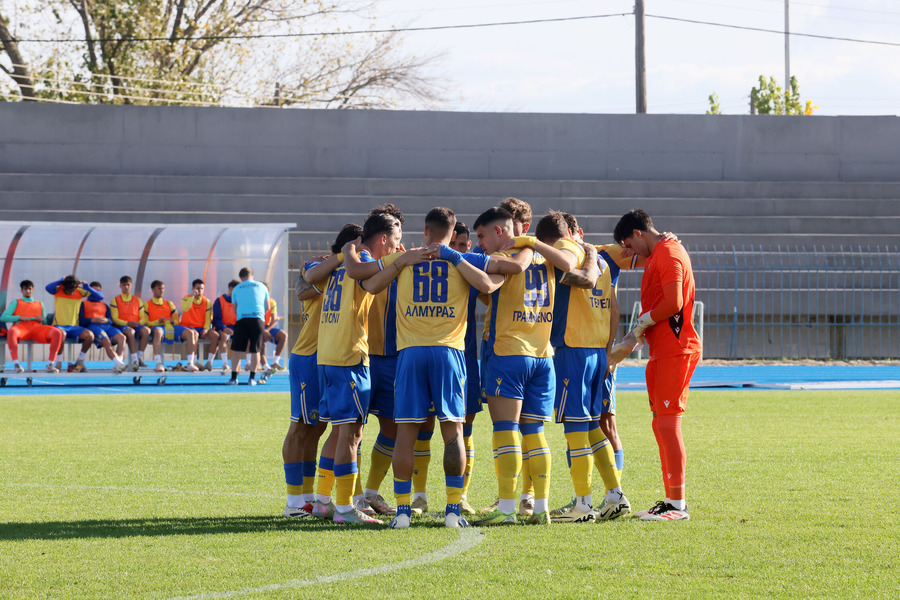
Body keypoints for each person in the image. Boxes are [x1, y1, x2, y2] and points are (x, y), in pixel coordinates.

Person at [472, 206, 597, 526]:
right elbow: (571, 264)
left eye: (483, 236)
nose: (481, 243)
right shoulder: (549, 256)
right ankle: (540, 506)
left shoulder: (508, 257)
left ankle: (506, 508)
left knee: (505, 430)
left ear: (500, 231)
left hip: (508, 353)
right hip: (543, 357)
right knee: (534, 431)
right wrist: (532, 244)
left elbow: (489, 287)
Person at [312, 212, 410, 525]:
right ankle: (344, 509)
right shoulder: (361, 259)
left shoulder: (343, 260)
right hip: (348, 357)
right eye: (395, 241)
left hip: (329, 355)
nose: (397, 247)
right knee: (351, 436)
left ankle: (323, 500)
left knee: (339, 432)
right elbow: (370, 279)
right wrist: (398, 263)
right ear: (383, 238)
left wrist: (396, 265)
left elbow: (372, 284)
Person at [533, 212, 631, 523]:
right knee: (591, 426)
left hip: (572, 350)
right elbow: (614, 309)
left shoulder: (565, 250)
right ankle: (615, 495)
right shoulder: (601, 261)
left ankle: (583, 504)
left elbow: (565, 267)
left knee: (575, 429)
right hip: (596, 351)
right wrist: (607, 350)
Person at [609, 209, 702, 521]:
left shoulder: (669, 253)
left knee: (668, 423)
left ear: (638, 233)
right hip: (663, 349)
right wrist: (637, 336)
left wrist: (637, 328)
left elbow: (674, 302)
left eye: (629, 245)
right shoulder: (660, 252)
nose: (630, 253)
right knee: (660, 423)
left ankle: (677, 505)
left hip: (676, 349)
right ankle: (670, 500)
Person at [1, 280, 64, 373]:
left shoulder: (40, 304)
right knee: (12, 331)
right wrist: (19, 317)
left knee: (57, 332)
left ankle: (50, 364)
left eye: (30, 289)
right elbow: (3, 317)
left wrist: (42, 319)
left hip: (37, 328)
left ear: (33, 290)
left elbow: (45, 323)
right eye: (25, 289)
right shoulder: (16, 302)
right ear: (21, 291)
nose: (28, 291)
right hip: (21, 328)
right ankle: (16, 364)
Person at [140, 280, 199, 373]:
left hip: (171, 327)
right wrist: (157, 321)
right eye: (159, 288)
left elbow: (176, 320)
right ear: (153, 290)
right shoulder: (146, 304)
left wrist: (173, 321)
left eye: (163, 288)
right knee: (158, 332)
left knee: (190, 332)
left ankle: (190, 363)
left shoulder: (169, 303)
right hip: (158, 328)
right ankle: (159, 363)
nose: (161, 290)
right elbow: (145, 322)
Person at [45, 275, 100, 372]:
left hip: (75, 327)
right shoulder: (58, 290)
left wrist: (87, 287)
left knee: (90, 336)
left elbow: (100, 296)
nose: (70, 292)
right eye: (68, 290)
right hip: (59, 326)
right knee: (61, 334)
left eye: (72, 290)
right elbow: (47, 288)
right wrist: (61, 280)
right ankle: (59, 362)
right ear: (64, 287)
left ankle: (80, 360)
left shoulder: (80, 291)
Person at [227, 268, 269, 386]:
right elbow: (267, 307)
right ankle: (252, 378)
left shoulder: (236, 288)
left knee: (236, 349)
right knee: (255, 349)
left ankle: (234, 378)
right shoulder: (262, 286)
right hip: (257, 319)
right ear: (252, 275)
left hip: (242, 319)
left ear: (241, 277)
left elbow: (235, 309)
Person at [79, 281, 129, 373]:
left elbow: (110, 320)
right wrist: (92, 320)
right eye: (93, 291)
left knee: (122, 338)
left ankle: (118, 364)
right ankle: (120, 364)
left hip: (107, 326)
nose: (96, 293)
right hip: (94, 326)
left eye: (98, 291)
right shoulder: (83, 304)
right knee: (106, 341)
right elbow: (81, 320)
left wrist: (106, 320)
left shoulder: (104, 305)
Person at [111, 275, 149, 371]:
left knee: (147, 330)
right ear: (120, 286)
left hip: (136, 325)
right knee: (130, 332)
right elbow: (115, 318)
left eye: (128, 285)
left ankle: (139, 357)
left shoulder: (138, 300)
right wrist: (127, 323)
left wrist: (139, 323)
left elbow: (143, 317)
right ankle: (135, 360)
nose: (126, 287)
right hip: (122, 326)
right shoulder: (115, 300)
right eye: (124, 285)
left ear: (131, 285)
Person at [181, 279, 220, 371]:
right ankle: (193, 361)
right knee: (194, 333)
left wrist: (206, 329)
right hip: (188, 328)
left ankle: (209, 362)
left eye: (202, 289)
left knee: (216, 336)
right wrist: (192, 297)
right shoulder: (186, 298)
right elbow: (185, 309)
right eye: (198, 288)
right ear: (193, 288)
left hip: (201, 328)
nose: (200, 291)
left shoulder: (207, 301)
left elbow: (208, 318)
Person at [260, 284, 288, 376]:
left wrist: (266, 330)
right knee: (259, 342)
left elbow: (274, 321)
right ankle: (266, 367)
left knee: (283, 335)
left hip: (267, 328)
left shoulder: (271, 302)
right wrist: (262, 331)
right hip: (257, 327)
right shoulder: (254, 302)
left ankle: (275, 362)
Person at [212, 280, 239, 373]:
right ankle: (225, 363)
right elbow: (216, 319)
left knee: (248, 336)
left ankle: (248, 363)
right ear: (231, 289)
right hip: (223, 328)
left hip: (235, 328)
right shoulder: (219, 301)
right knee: (223, 336)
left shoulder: (239, 301)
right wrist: (224, 328)